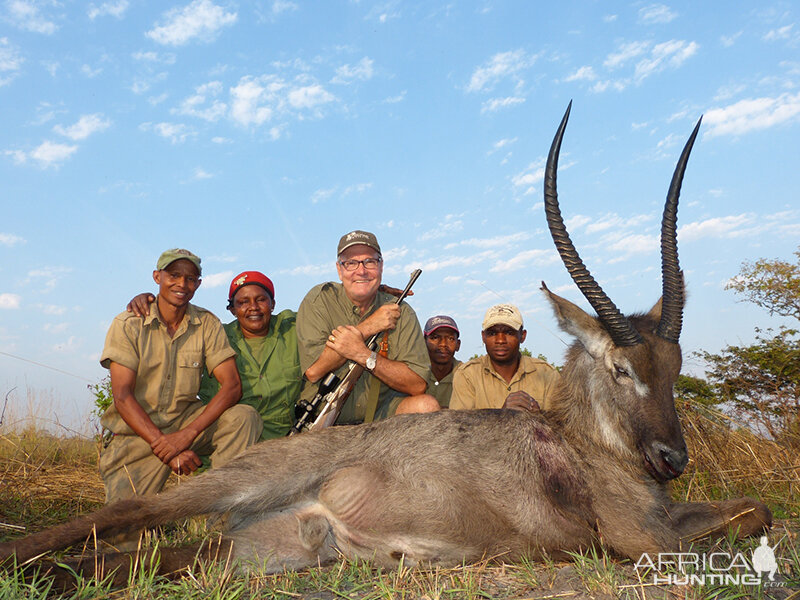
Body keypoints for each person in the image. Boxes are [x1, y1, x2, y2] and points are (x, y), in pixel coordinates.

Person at [99, 249, 262, 546]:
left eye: (190, 278)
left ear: (198, 284)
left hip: (186, 424)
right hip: (137, 434)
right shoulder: (128, 323)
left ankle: (223, 525)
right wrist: (170, 449)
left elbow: (231, 386)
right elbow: (122, 397)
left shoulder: (206, 323)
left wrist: (186, 436)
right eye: (174, 275)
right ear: (157, 277)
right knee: (119, 541)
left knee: (243, 417)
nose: (182, 284)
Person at [297, 230, 439, 423]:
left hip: (380, 421)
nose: (361, 270)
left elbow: (417, 385)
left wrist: (364, 356)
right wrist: (367, 328)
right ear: (339, 270)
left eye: (369, 261)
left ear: (381, 266)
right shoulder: (319, 300)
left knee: (426, 406)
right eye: (351, 263)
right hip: (324, 420)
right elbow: (314, 370)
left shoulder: (401, 311)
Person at [450, 303, 560, 412]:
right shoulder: (467, 375)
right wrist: (502, 417)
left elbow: (562, 425)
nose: (500, 340)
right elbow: (458, 427)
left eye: (509, 332)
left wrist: (539, 417)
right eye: (492, 333)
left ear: (522, 336)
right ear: (483, 337)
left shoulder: (547, 374)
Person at [422, 315, 461, 408]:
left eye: (450, 338)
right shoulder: (413, 371)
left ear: (458, 345)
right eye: (435, 338)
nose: (443, 344)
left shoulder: (466, 375)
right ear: (423, 342)